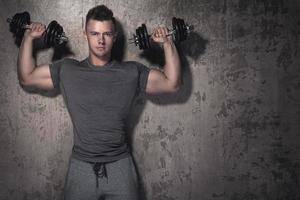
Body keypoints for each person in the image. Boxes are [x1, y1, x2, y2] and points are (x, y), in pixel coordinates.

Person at [17, 5, 181, 200]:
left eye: (106, 34)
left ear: (115, 36)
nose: (101, 40)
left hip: (121, 166)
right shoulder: (68, 70)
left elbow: (172, 84)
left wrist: (168, 43)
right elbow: (26, 77)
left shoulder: (131, 72)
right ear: (85, 35)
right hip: (81, 167)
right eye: (94, 33)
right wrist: (28, 38)